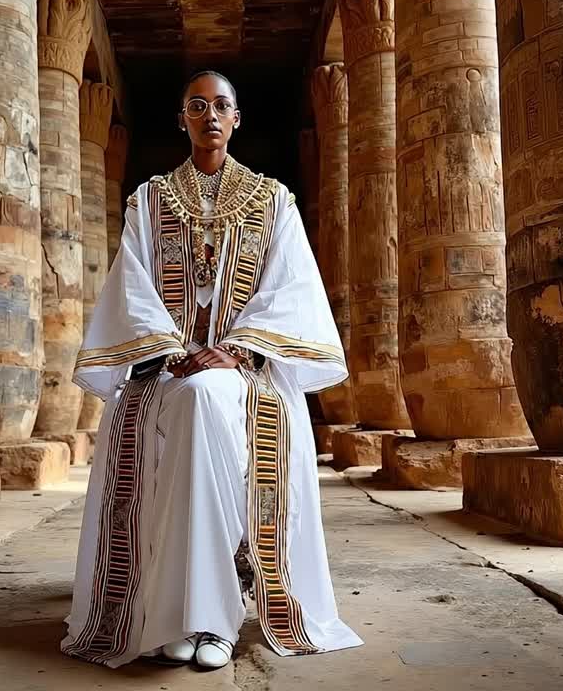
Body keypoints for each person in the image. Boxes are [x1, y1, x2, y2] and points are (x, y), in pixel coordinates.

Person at [61, 71, 362, 671]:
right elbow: (131, 286)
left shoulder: (273, 200)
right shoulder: (149, 201)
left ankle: (202, 619)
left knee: (203, 399)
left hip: (246, 370)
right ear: (182, 120)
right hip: (167, 368)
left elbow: (290, 287)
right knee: (184, 400)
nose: (210, 116)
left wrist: (238, 350)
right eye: (197, 107)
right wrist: (170, 351)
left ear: (236, 118)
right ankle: (196, 617)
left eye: (221, 106)